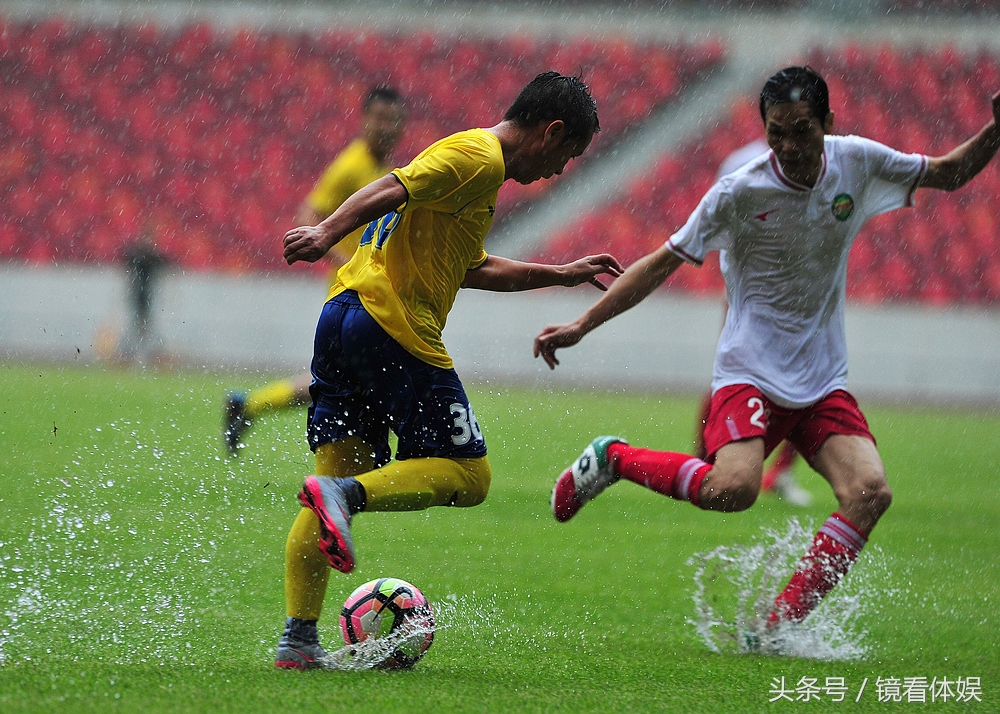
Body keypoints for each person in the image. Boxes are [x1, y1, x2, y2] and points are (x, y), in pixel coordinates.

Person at [534, 67, 1000, 637]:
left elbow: (951, 173)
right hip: (750, 369)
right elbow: (660, 263)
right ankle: (613, 459)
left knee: (869, 493)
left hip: (822, 378)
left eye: (802, 130)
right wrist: (583, 324)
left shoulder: (857, 161)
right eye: (776, 132)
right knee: (733, 490)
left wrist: (995, 131)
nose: (789, 146)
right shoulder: (740, 190)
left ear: (829, 123)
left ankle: (774, 628)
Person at [274, 71, 624, 669]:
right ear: (551, 132)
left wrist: (559, 274)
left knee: (330, 477)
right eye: (568, 155)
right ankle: (345, 497)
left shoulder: (475, 175)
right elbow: (392, 186)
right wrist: (326, 231)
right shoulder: (478, 156)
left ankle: (298, 640)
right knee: (469, 474)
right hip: (393, 327)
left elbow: (471, 267)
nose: (560, 170)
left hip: (343, 317)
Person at [224, 86, 407, 454]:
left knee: (348, 377)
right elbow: (308, 214)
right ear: (364, 121)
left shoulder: (382, 167)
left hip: (367, 288)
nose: (386, 127)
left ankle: (251, 405)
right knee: (363, 374)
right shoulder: (351, 165)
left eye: (393, 120)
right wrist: (342, 259)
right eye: (379, 118)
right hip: (351, 291)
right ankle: (382, 450)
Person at [705, 137, 813, 507]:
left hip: (798, 292)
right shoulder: (744, 160)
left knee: (806, 378)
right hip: (749, 288)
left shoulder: (814, 158)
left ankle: (780, 471)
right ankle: (706, 458)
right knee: (731, 368)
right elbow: (718, 216)